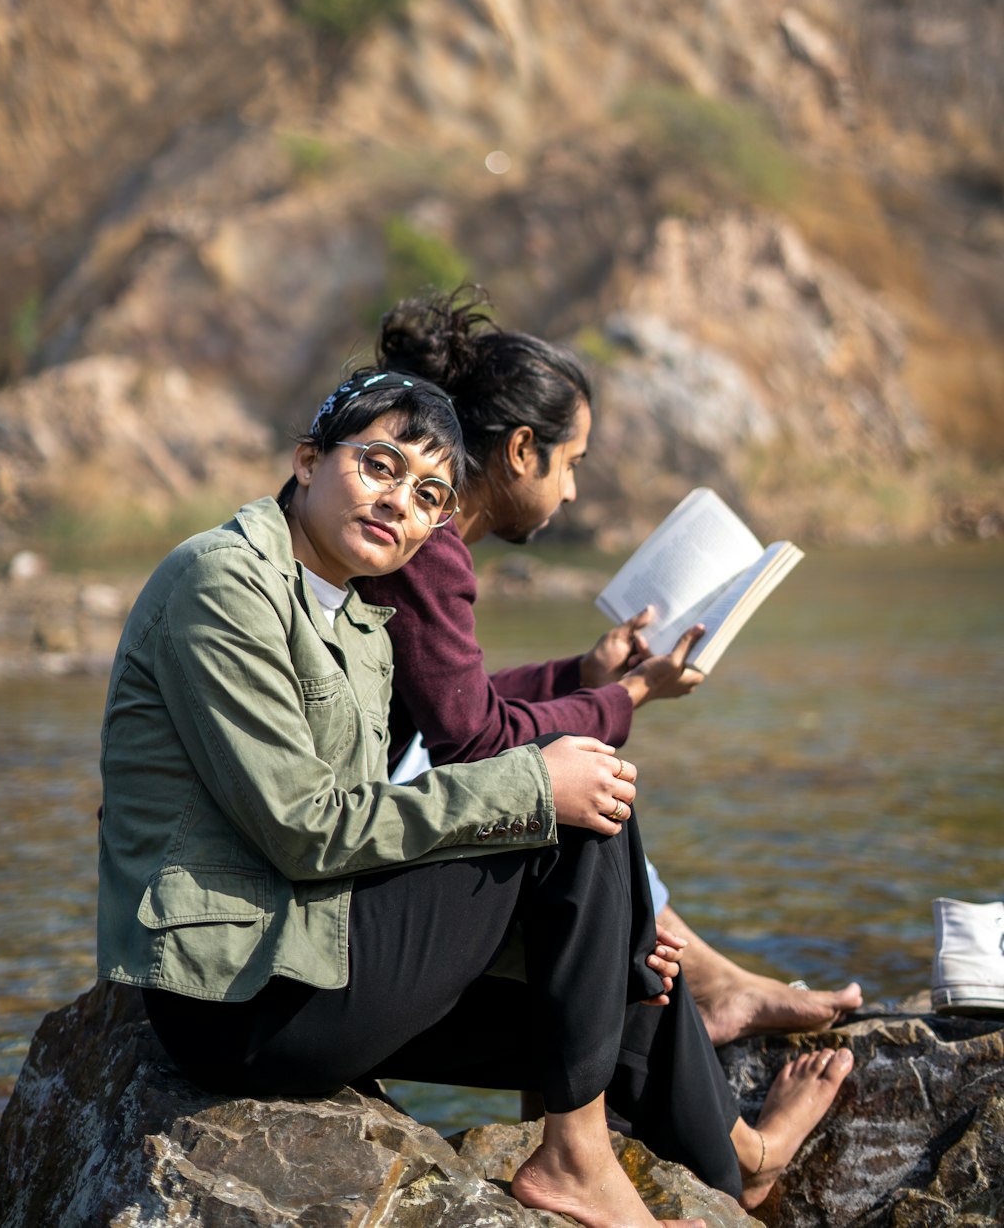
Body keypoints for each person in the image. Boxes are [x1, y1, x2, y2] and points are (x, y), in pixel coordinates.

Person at [99, 367, 754, 1228]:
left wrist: (611, 949)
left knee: (628, 1000)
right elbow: (309, 830)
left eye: (429, 493)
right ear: (306, 460)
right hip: (242, 1000)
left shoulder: (356, 620)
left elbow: (420, 779)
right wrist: (536, 786)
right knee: (573, 808)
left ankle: (741, 1190)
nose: (399, 502)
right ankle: (577, 1161)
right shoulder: (224, 585)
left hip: (313, 952)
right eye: (379, 467)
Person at [364, 287, 863, 1051]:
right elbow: (470, 739)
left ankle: (708, 999)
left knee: (573, 794)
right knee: (583, 801)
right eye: (570, 465)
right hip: (358, 850)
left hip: (376, 800)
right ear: (522, 451)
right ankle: (702, 1055)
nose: (570, 490)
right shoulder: (427, 544)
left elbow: (448, 708)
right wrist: (628, 694)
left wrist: (586, 673)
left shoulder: (423, 536)